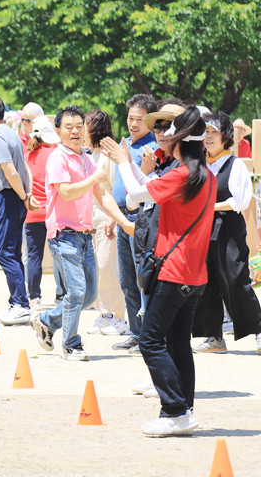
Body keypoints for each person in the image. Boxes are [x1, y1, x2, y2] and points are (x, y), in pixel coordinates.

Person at [104, 107, 216, 436]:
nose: (165, 138)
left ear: (181, 142)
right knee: (178, 343)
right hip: (194, 274)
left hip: (174, 271)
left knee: (150, 340)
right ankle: (184, 411)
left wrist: (123, 162)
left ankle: (175, 410)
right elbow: (147, 190)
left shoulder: (183, 176)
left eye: (171, 134)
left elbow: (135, 198)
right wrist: (133, 166)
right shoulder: (203, 175)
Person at [29, 107, 133, 361]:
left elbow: (103, 195)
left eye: (79, 125)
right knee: (76, 293)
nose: (75, 131)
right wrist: (94, 178)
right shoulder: (58, 158)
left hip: (85, 235)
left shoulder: (86, 159)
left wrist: (124, 223)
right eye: (69, 127)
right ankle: (71, 345)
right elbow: (66, 192)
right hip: (64, 235)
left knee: (88, 296)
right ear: (58, 131)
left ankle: (46, 321)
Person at [190, 111, 261, 354]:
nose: (209, 137)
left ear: (226, 137)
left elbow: (240, 201)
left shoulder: (235, 164)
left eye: (214, 132)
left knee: (236, 280)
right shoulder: (199, 163)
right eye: (206, 132)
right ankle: (214, 337)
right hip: (202, 229)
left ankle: (259, 329)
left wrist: (209, 207)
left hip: (228, 228)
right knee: (206, 282)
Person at [0, 95, 37, 325]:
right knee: (13, 253)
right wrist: (25, 195)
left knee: (4, 253)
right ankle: (16, 302)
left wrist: (23, 196)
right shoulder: (11, 134)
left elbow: (10, 171)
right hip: (15, 197)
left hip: (5, 197)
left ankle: (21, 304)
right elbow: (23, 170)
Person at [110, 94, 158, 353]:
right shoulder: (124, 144)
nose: (133, 124)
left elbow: (151, 186)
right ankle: (135, 332)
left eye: (139, 119)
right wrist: (112, 216)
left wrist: (147, 170)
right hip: (121, 216)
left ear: (150, 121)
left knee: (142, 278)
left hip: (140, 217)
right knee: (126, 279)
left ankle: (147, 335)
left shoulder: (154, 148)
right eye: (130, 118)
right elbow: (117, 182)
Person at [84, 110, 129, 336]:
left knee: (109, 266)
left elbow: (116, 189)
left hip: (107, 217)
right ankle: (105, 313)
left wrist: (113, 217)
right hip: (92, 218)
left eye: (84, 125)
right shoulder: (90, 154)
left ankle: (119, 316)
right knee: (99, 268)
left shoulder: (109, 154)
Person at [23, 115, 62, 311]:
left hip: (32, 213)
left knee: (34, 256)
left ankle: (34, 298)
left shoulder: (27, 156)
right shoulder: (55, 153)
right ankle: (62, 295)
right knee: (60, 255)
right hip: (53, 213)